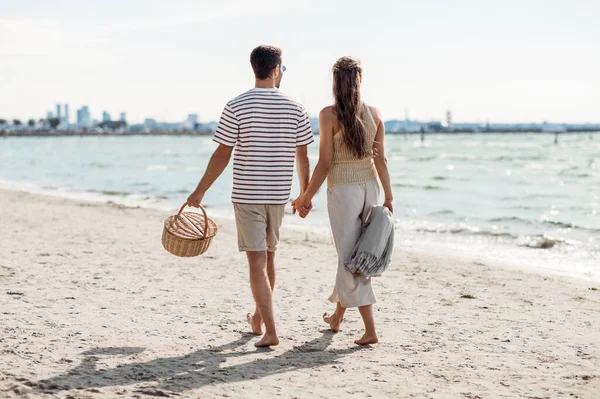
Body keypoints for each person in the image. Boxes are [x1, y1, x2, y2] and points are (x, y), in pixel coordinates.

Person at [187, 45, 314, 347]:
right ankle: (259, 320)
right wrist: (305, 194)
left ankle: (270, 330)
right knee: (268, 258)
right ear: (276, 69)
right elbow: (304, 156)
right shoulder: (295, 107)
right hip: (278, 196)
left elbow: (222, 154)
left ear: (254, 68)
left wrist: (199, 191)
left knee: (257, 262)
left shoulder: (237, 105)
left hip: (247, 195)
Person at [293, 56, 393, 345]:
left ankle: (370, 330)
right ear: (360, 79)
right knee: (357, 253)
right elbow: (381, 159)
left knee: (351, 259)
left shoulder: (328, 114)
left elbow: (325, 163)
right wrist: (389, 196)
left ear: (335, 82)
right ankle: (337, 317)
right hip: (370, 188)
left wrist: (304, 198)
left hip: (344, 192)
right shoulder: (375, 113)